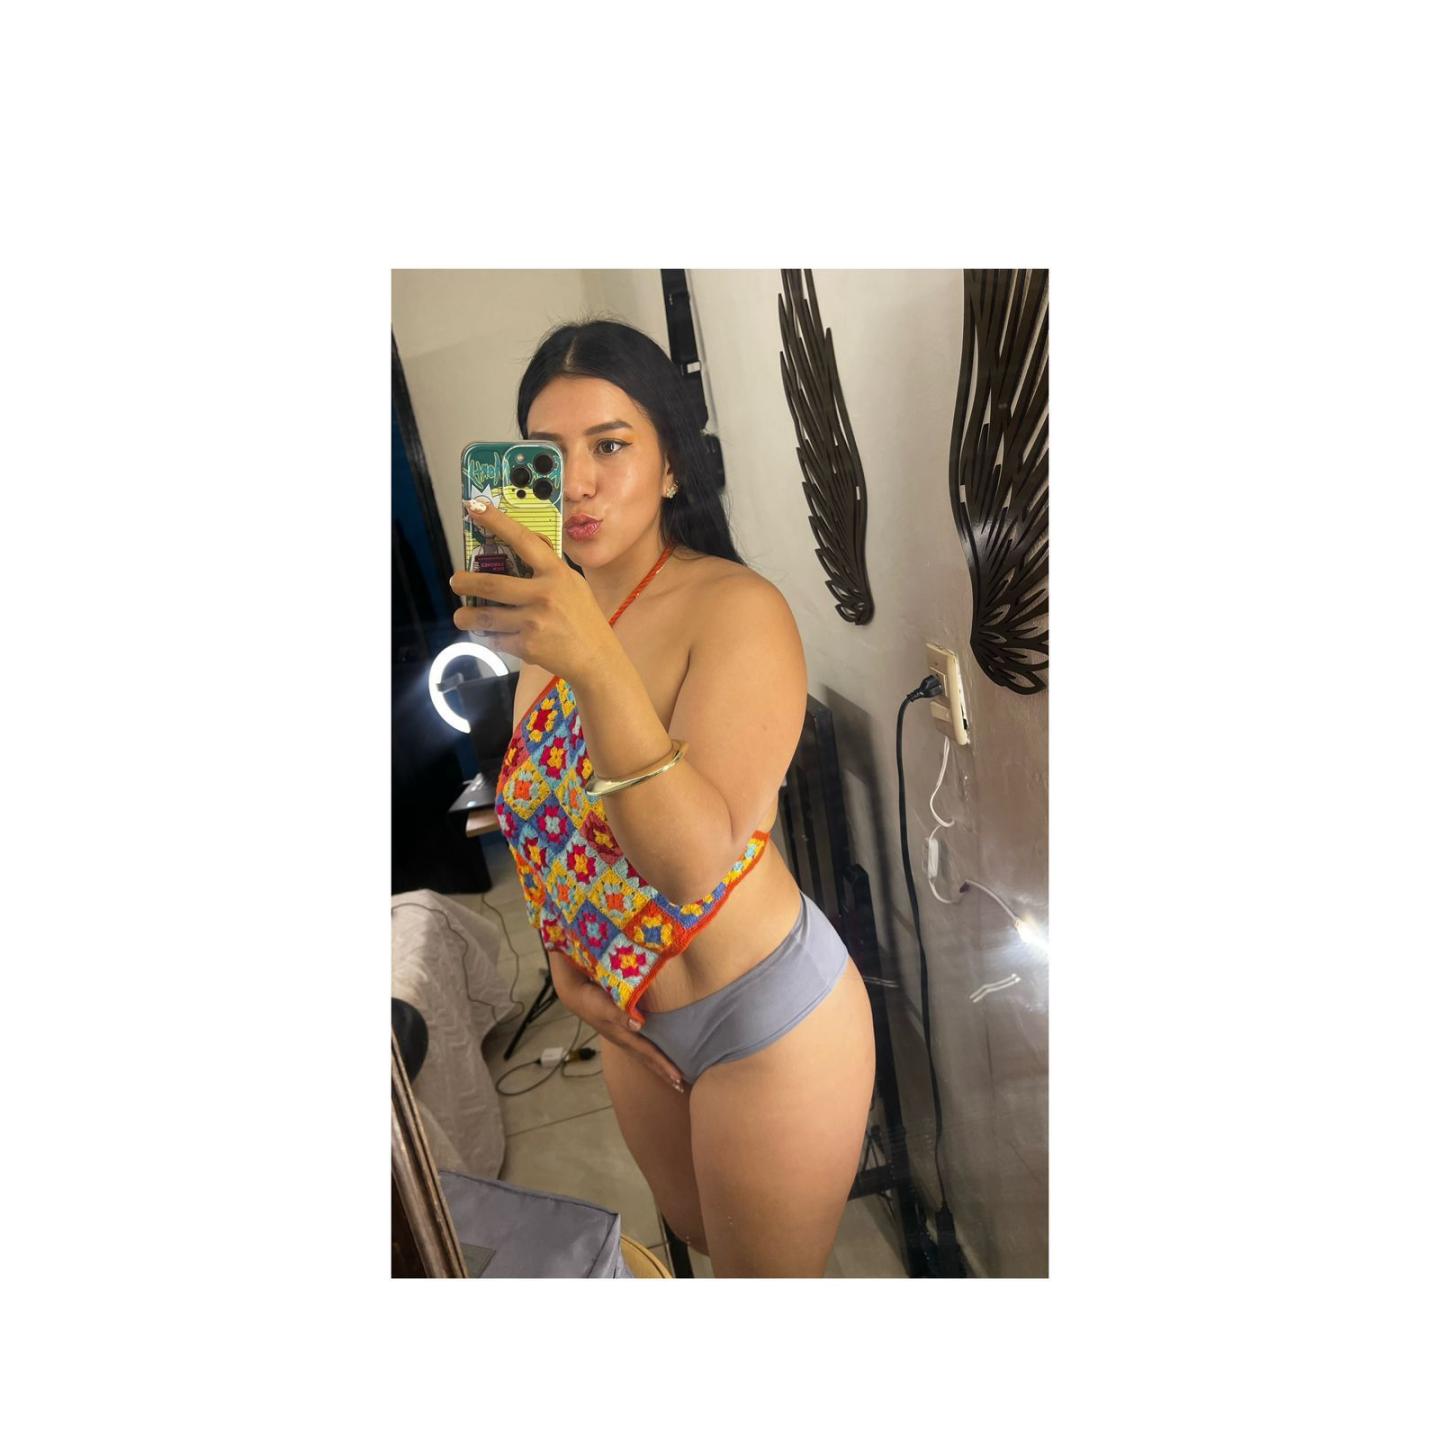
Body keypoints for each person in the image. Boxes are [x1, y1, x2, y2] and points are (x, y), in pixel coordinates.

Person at [452, 319, 876, 1278]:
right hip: (635, 1016)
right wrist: (564, 961)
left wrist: (594, 658)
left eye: (610, 445)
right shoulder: (546, 635)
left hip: (765, 1014)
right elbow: (544, 822)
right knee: (699, 1233)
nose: (579, 483)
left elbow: (689, 864)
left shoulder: (736, 610)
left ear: (673, 465)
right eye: (549, 455)